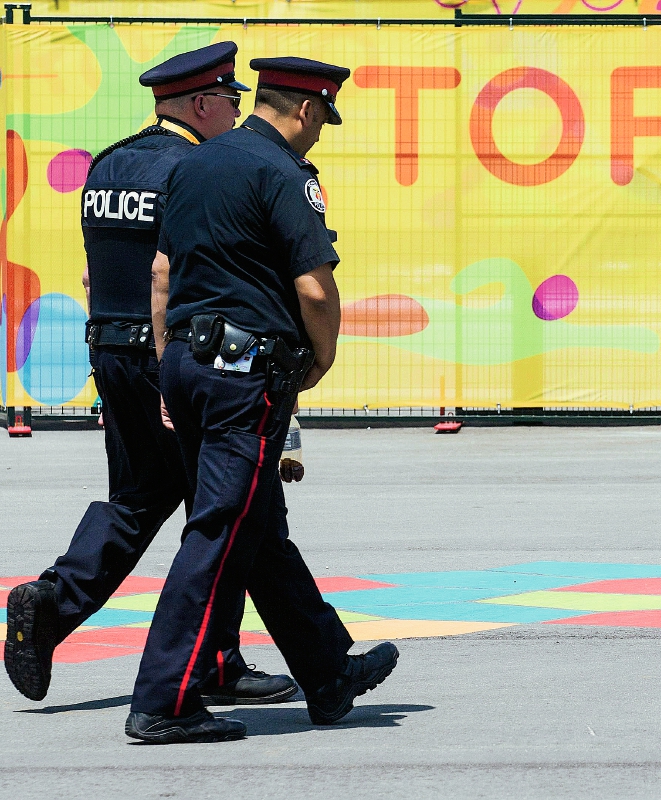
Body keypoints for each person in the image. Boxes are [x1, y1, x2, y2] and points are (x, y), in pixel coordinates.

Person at [5, 43, 297, 709]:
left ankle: (53, 601)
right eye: (229, 100)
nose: (237, 113)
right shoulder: (196, 171)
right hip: (171, 356)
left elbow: (96, 270)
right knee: (221, 509)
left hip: (110, 350)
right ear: (200, 104)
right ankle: (215, 664)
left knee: (139, 496)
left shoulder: (109, 165)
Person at [126, 57, 398, 744]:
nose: (318, 136)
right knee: (221, 529)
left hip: (187, 364)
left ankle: (329, 672)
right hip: (241, 376)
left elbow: (161, 274)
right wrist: (324, 357)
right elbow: (313, 288)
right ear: (307, 111)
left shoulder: (195, 164)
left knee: (258, 527)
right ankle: (164, 698)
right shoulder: (283, 174)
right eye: (321, 122)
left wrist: (168, 369)